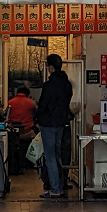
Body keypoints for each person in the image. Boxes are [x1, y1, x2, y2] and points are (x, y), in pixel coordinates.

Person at [35, 54, 72, 199]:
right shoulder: (67, 84)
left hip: (48, 124)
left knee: (50, 156)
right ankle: (60, 186)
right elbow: (67, 101)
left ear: (50, 67)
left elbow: (43, 104)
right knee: (57, 155)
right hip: (61, 123)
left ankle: (55, 188)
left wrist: (37, 119)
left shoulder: (49, 85)